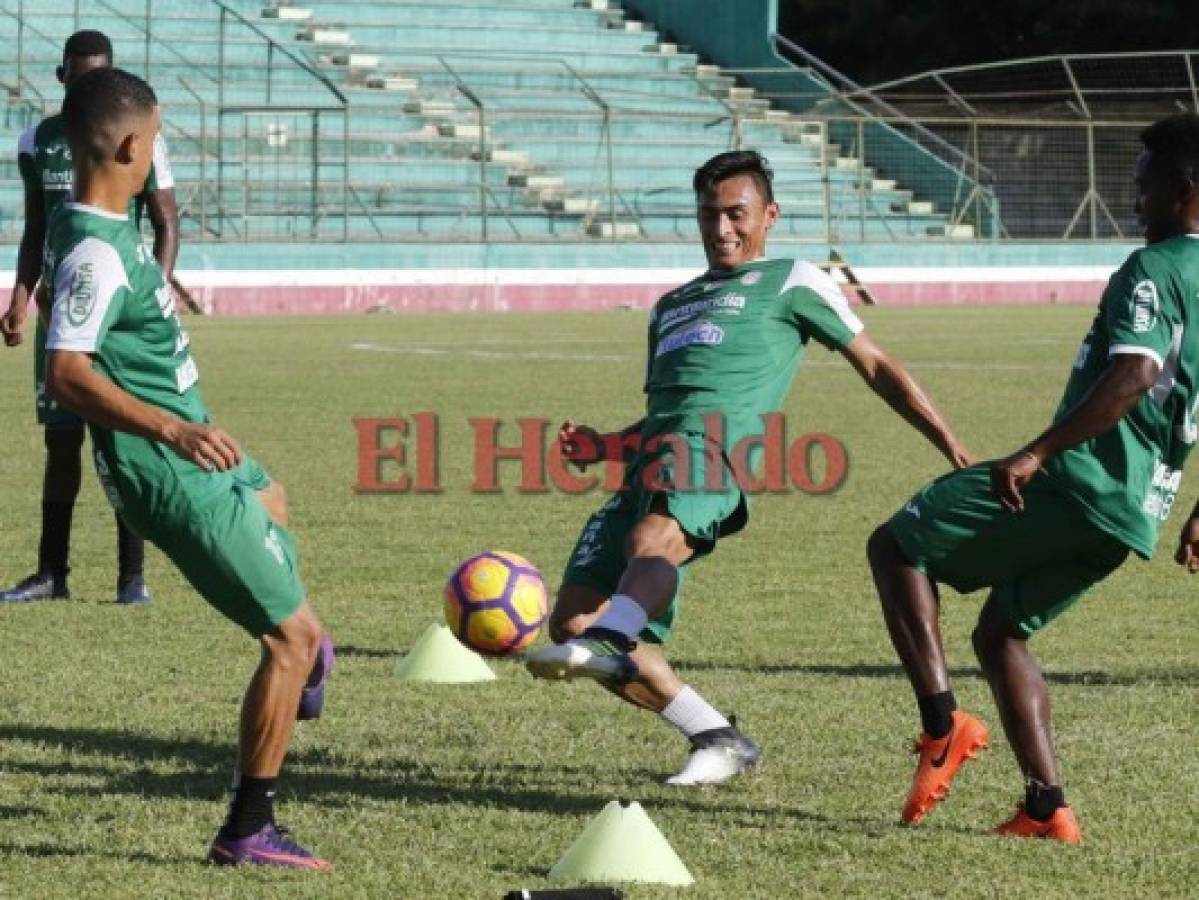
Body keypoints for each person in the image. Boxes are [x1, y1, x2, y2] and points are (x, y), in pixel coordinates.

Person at [525, 149, 972, 785]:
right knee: (573, 619)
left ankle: (614, 638)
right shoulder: (671, 305)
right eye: (709, 215)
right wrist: (604, 446)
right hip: (651, 463)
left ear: (769, 215)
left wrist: (951, 446)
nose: (721, 229)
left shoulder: (794, 280)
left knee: (647, 550)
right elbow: (663, 416)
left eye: (736, 214)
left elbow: (878, 365)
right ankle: (717, 735)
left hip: (713, 452)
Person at [866, 113, 1199, 844]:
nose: (1132, 196)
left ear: (1184, 190)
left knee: (894, 547)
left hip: (1080, 483)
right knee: (1001, 632)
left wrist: (1036, 454)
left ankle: (940, 725)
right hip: (1131, 516)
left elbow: (1135, 374)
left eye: (1143, 184)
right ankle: (1046, 807)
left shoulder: (1156, 269)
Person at [44, 66, 332, 868]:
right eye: (158, 140)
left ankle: (314, 656)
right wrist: (169, 428)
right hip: (168, 469)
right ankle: (248, 827)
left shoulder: (106, 222)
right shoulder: (95, 254)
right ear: (134, 145)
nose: (157, 153)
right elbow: (64, 373)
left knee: (272, 494)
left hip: (195, 444)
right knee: (289, 639)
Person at [0, 29, 179, 605]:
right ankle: (53, 573)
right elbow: (34, 229)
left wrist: (154, 289)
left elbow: (166, 221)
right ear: (63, 78)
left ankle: (132, 578)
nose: (92, 86)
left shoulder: (139, 138)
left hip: (117, 316)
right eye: (82, 77)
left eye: (101, 75)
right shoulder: (37, 142)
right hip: (60, 315)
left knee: (124, 438)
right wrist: (20, 296)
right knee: (61, 442)